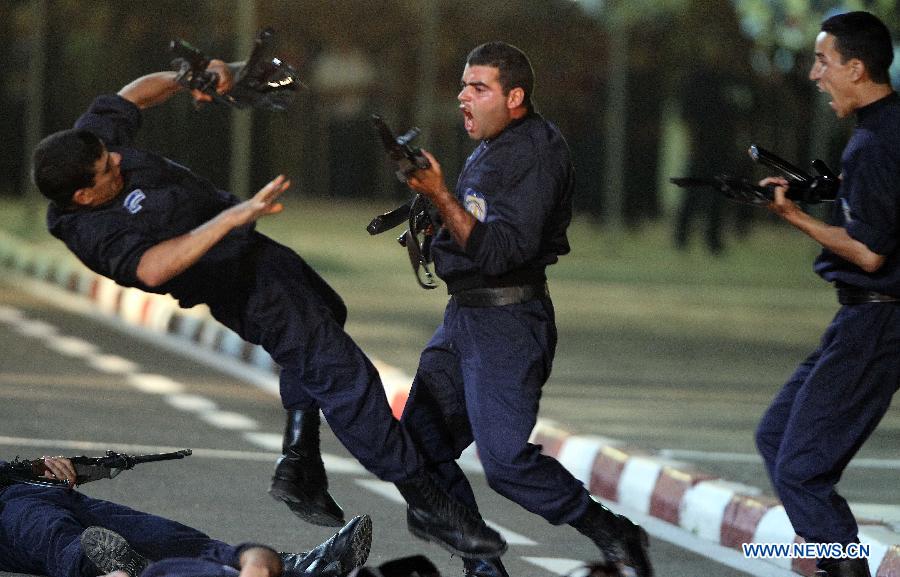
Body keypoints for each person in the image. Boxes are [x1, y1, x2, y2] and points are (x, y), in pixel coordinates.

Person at [30, 61, 504, 557]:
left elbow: (129, 94)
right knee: (345, 379)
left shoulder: (87, 147)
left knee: (328, 308)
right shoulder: (90, 231)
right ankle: (426, 504)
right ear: (83, 195)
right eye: (107, 172)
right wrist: (229, 218)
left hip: (257, 257)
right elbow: (152, 268)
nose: (118, 164)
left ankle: (299, 461)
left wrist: (194, 76)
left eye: (111, 156)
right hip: (238, 286)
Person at [400, 41, 653, 577]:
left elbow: (499, 252)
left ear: (515, 96)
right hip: (464, 319)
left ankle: (614, 534)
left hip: (507, 323)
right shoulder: (493, 145)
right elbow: (474, 222)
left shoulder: (536, 150)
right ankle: (482, 567)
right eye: (463, 85)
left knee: (507, 463)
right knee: (418, 442)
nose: (463, 98)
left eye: (479, 88)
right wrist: (433, 211)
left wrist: (442, 197)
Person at [755, 11, 900, 577]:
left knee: (801, 470)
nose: (815, 74)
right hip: (863, 320)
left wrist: (793, 216)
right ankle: (822, 553)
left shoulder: (874, 142)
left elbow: (868, 252)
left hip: (877, 319)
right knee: (775, 435)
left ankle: (836, 566)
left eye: (824, 61)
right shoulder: (886, 129)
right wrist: (830, 192)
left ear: (856, 68)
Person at [0, 456, 370, 577]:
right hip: (8, 512)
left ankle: (301, 567)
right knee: (56, 537)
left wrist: (37, 467)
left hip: (30, 489)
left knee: (168, 537)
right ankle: (108, 568)